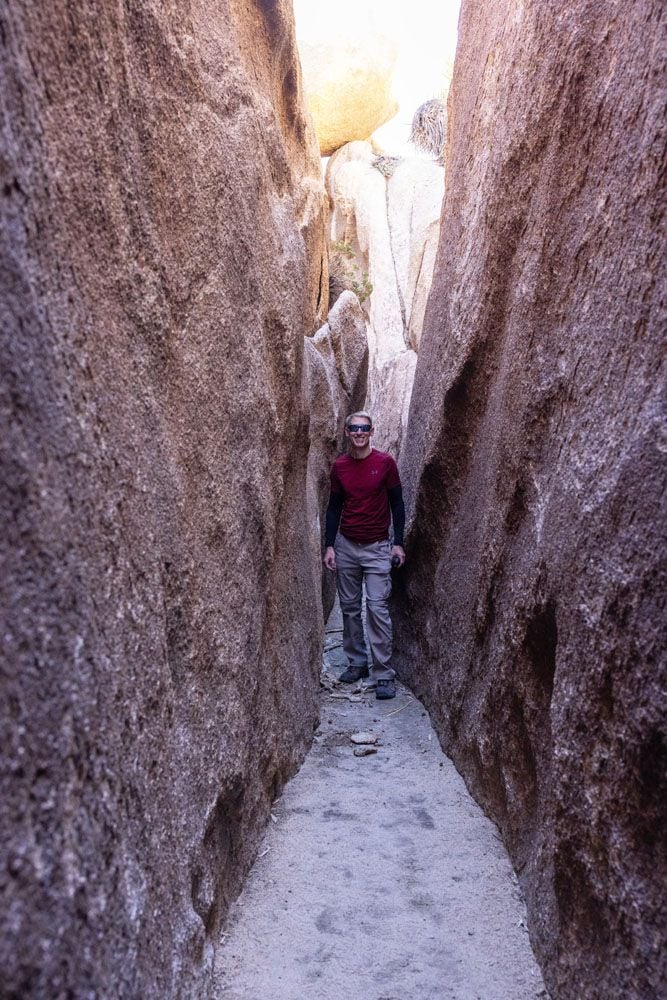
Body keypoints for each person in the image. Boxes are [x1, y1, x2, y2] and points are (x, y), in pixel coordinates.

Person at [323, 411, 405, 700]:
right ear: (346, 432)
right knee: (349, 607)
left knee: (377, 608)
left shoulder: (385, 463)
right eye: (354, 428)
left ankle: (383, 673)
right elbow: (333, 507)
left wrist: (398, 543)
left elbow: (397, 503)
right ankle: (357, 663)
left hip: (377, 547)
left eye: (364, 428)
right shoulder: (340, 467)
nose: (359, 433)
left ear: (372, 431)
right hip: (347, 545)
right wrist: (330, 545)